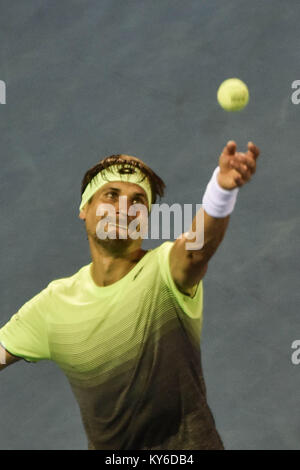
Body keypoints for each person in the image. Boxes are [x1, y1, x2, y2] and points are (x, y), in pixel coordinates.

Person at [0, 140, 260, 450]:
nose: (125, 208)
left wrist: (221, 190)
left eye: (138, 201)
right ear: (85, 209)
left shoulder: (164, 271)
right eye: (112, 195)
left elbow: (196, 251)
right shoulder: (54, 304)